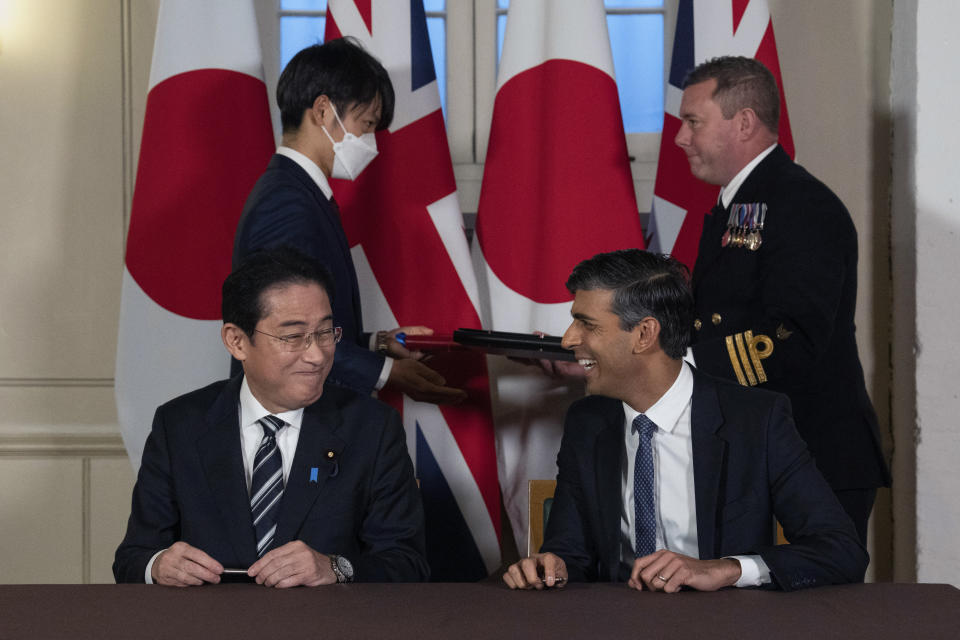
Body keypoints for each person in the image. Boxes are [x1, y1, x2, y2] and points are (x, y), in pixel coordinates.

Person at [503, 249, 867, 593]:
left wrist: (726, 569)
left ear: (644, 334)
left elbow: (841, 551)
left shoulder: (756, 420)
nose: (568, 340)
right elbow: (571, 553)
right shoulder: (587, 422)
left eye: (587, 324)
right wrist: (552, 567)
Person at [114, 248, 429, 587]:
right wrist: (159, 565)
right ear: (236, 341)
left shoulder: (372, 428)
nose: (316, 355)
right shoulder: (179, 425)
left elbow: (407, 564)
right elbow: (133, 559)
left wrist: (335, 568)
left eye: (325, 333)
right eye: (293, 337)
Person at [674, 56, 889, 544]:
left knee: (810, 620)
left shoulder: (800, 204)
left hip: (812, 458)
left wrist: (671, 367)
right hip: (761, 452)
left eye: (693, 122)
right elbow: (712, 321)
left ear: (744, 121)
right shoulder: (743, 203)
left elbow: (792, 336)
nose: (681, 139)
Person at [234, 37, 464, 405]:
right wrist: (389, 373)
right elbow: (289, 338)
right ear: (323, 111)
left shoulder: (301, 193)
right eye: (367, 124)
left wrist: (381, 343)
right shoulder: (287, 204)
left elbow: (314, 322)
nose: (370, 141)